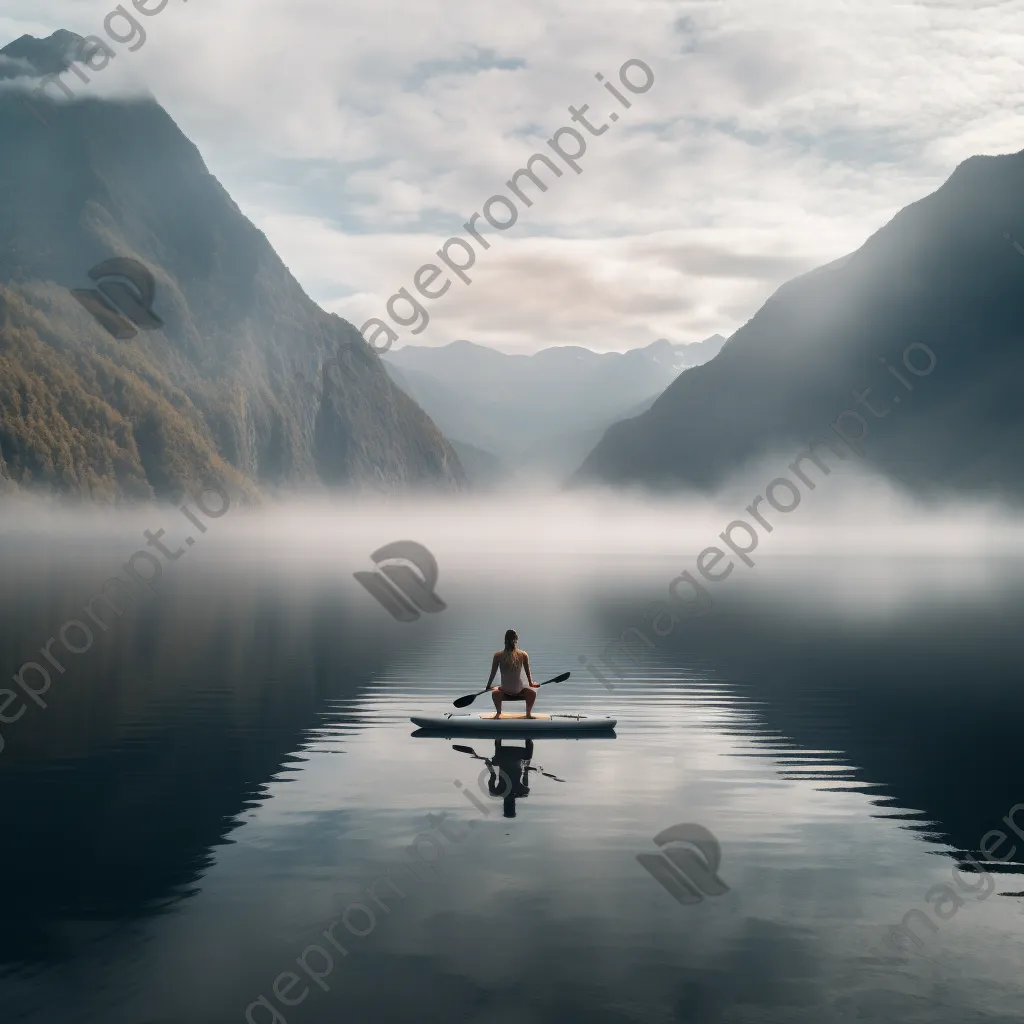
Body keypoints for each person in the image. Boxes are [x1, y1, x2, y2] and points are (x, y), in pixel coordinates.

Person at [485, 629, 538, 718]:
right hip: (519, 691)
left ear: (505, 641)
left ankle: (498, 713)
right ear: (516, 640)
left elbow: (493, 673)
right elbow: (528, 673)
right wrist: (531, 684)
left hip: (505, 690)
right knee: (532, 693)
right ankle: (528, 714)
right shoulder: (523, 654)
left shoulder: (498, 655)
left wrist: (488, 686)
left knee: (495, 692)